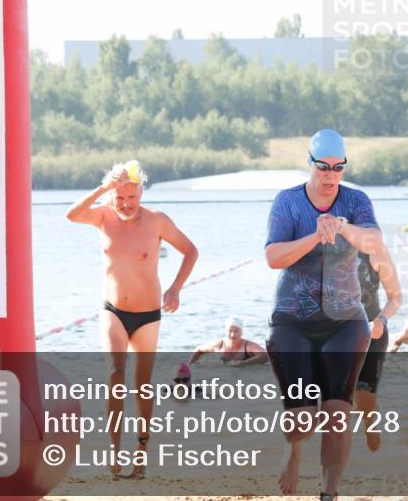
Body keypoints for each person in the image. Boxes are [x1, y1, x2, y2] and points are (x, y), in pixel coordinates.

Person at [264, 128, 382, 501]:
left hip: (346, 319)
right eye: (324, 167)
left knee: (337, 413)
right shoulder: (287, 203)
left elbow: (374, 242)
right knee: (302, 420)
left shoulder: (356, 200)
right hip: (291, 321)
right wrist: (316, 235)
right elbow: (273, 257)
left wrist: (341, 226)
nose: (331, 176)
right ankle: (295, 449)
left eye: (338, 168)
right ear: (311, 163)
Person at [66, 160, 199, 477]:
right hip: (112, 309)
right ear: (112, 194)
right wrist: (103, 189)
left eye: (132, 197)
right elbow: (71, 215)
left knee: (142, 386)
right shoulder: (102, 215)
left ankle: (140, 455)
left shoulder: (157, 221)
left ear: (141, 192)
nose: (125, 204)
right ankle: (114, 453)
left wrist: (176, 288)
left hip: (148, 315)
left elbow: (191, 251)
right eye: (119, 197)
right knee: (115, 376)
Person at [353, 242, 403, 452]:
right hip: (335, 333)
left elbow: (396, 297)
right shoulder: (324, 248)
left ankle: (369, 423)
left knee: (364, 391)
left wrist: (381, 319)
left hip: (373, 331)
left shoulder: (374, 251)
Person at [188, 317, 268, 366]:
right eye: (230, 331)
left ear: (241, 332)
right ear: (226, 331)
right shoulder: (219, 345)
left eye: (236, 331)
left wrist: (244, 363)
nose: (233, 335)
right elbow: (199, 350)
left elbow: (266, 356)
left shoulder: (248, 346)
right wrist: (190, 365)